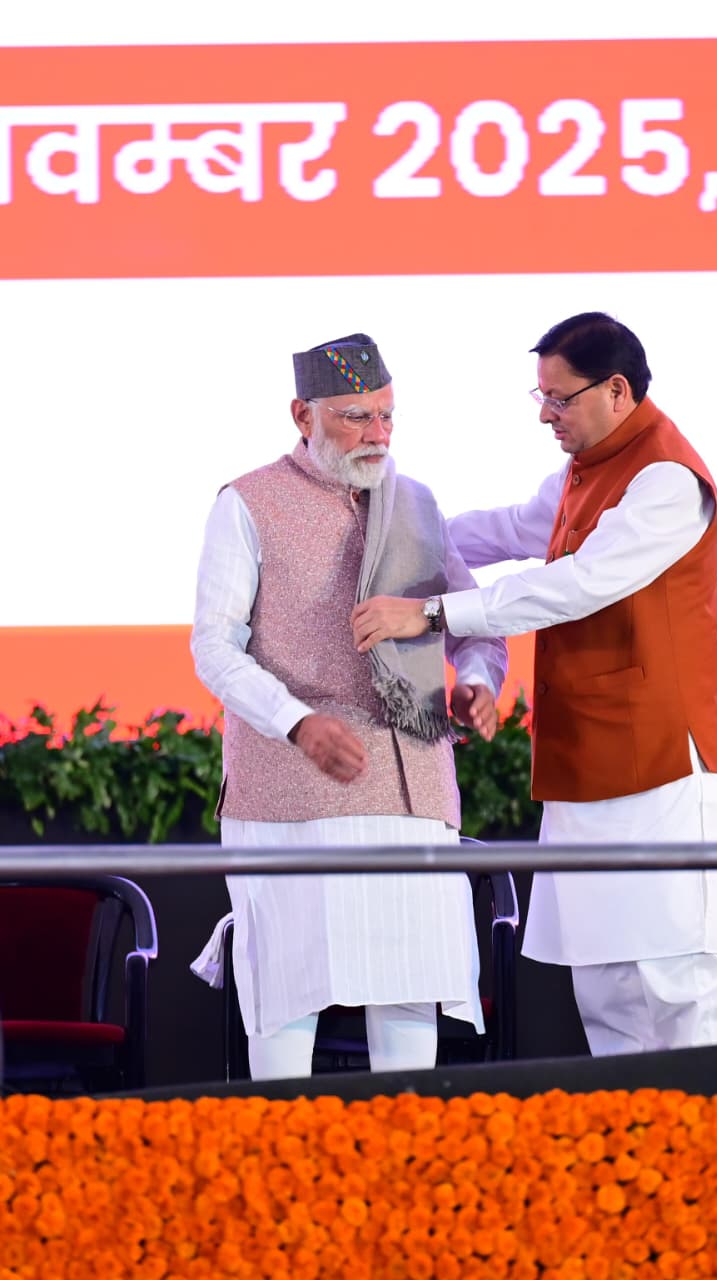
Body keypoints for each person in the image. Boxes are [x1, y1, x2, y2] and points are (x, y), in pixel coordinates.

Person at [351, 310, 717, 1057]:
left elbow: (575, 586)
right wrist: (390, 534)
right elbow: (506, 529)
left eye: (560, 399)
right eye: (541, 398)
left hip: (660, 759)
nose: (545, 415)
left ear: (617, 390)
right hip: (587, 755)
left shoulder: (665, 479)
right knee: (604, 982)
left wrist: (430, 612)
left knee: (674, 977)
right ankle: (633, 1128)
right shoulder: (583, 470)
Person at [190, 332, 507, 1080]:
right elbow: (213, 647)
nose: (378, 434)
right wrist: (296, 722)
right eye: (356, 417)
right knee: (288, 996)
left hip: (414, 791)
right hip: (293, 791)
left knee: (412, 991)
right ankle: (284, 1147)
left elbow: (474, 623)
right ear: (302, 415)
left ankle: (406, 1151)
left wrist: (478, 684)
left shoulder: (416, 504)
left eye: (387, 416)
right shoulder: (248, 502)